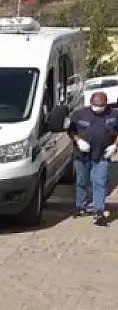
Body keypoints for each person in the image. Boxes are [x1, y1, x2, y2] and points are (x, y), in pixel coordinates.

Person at [68, 91, 118, 225]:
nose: (98, 108)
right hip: (82, 155)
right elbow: (70, 130)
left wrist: (114, 145)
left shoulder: (113, 115)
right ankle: (81, 206)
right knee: (82, 181)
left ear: (106, 103)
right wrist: (78, 140)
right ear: (91, 103)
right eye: (96, 105)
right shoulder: (80, 114)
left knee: (99, 182)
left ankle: (99, 212)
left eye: (101, 105)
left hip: (102, 154)